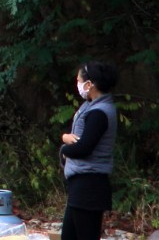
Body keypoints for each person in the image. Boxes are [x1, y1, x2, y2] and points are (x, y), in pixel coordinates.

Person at [59, 61, 119, 240]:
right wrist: (65, 138)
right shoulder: (91, 106)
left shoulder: (100, 112)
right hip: (80, 184)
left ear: (89, 84)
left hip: (90, 186)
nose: (76, 84)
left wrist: (64, 148)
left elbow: (84, 147)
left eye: (78, 80)